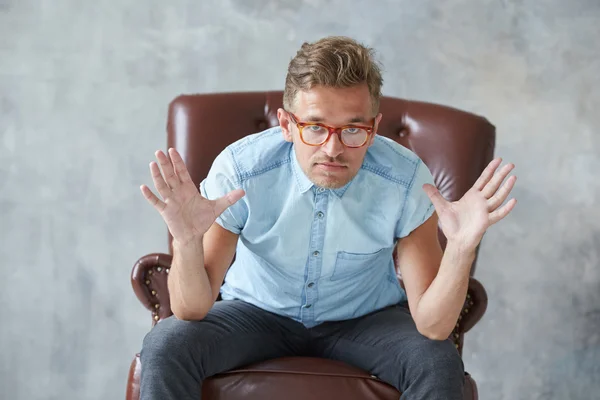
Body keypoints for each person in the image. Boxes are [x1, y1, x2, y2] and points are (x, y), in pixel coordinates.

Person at [138, 36, 517, 400]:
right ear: (287, 125)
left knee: (436, 361)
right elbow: (191, 309)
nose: (333, 149)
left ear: (374, 127)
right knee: (168, 344)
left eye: (353, 129)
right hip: (254, 313)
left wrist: (462, 249)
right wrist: (186, 242)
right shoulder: (240, 171)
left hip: (364, 320)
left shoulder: (405, 180)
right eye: (315, 127)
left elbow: (433, 327)